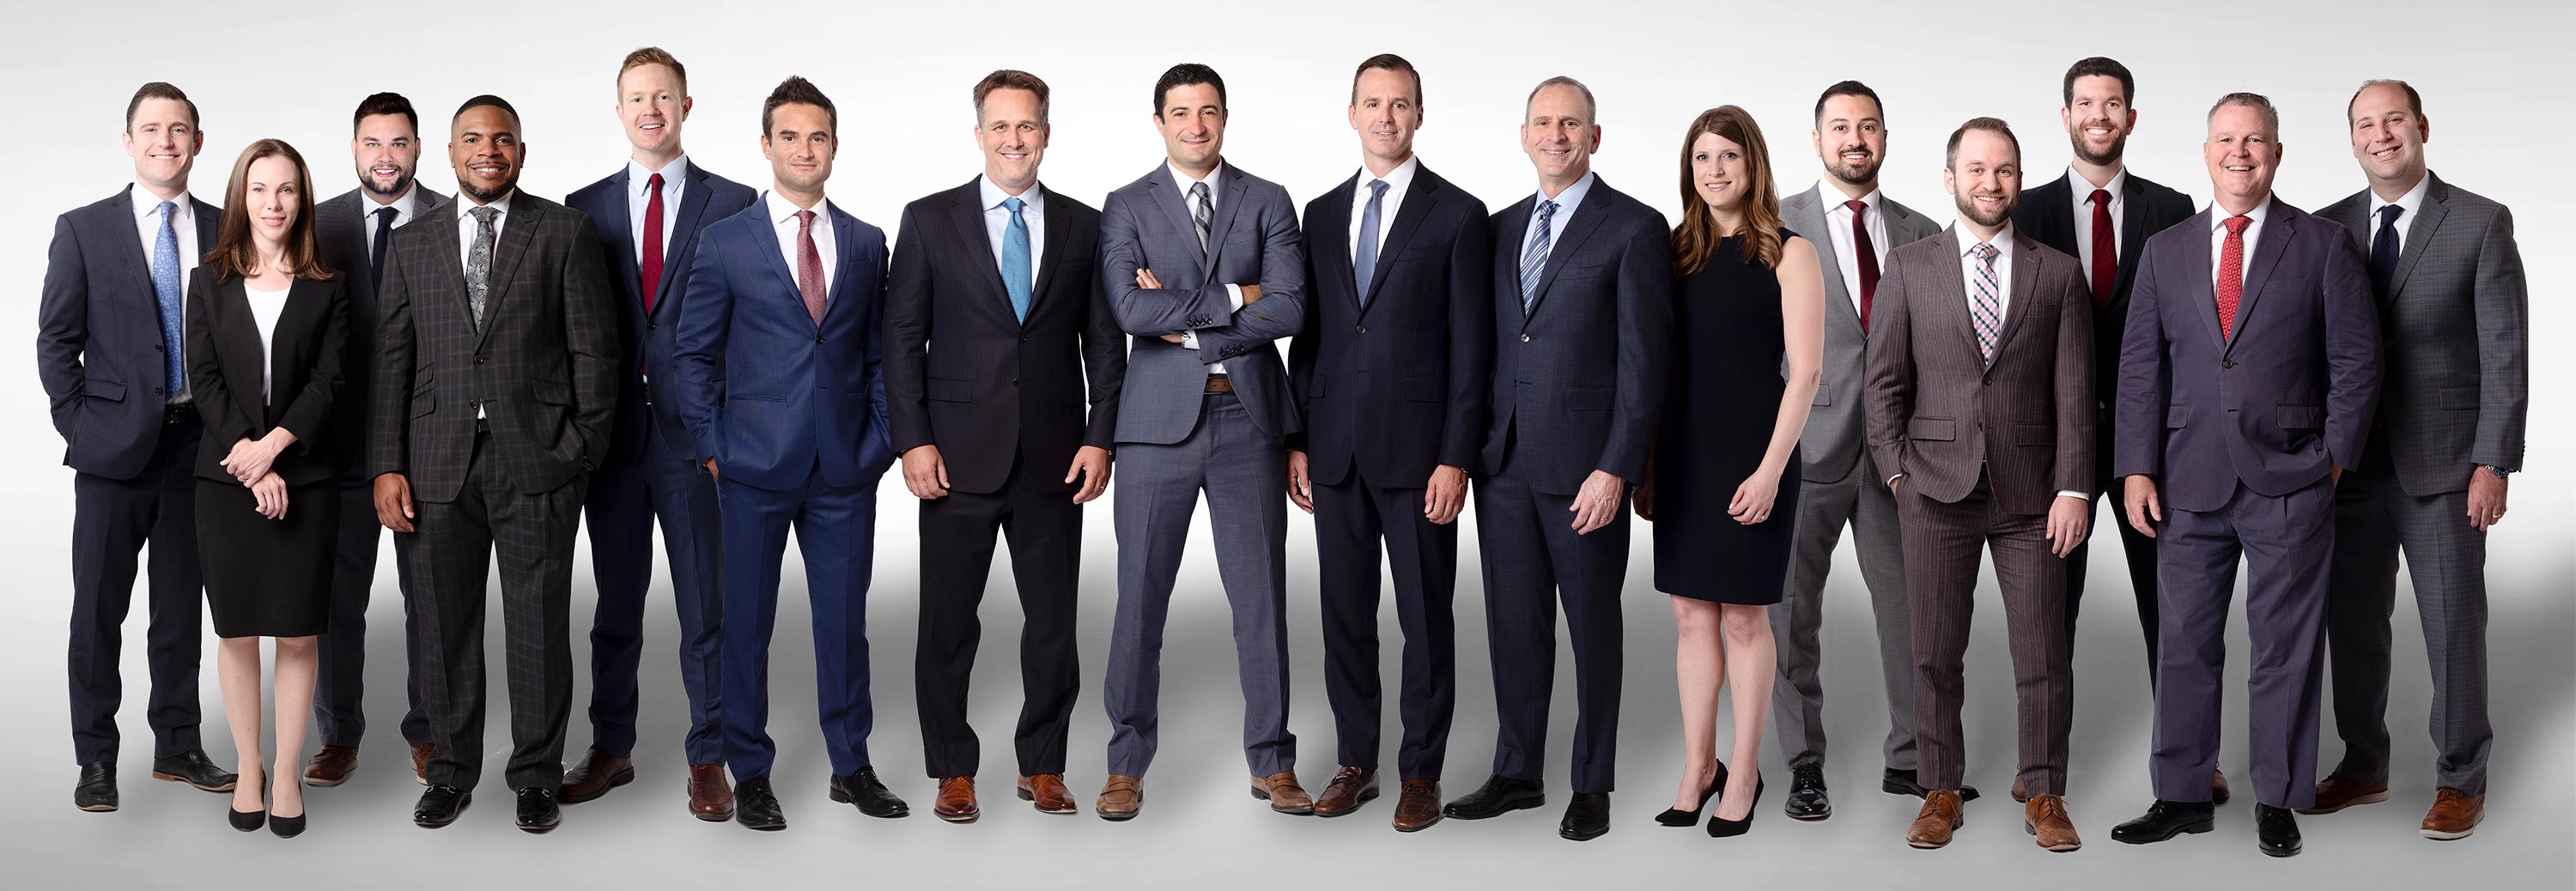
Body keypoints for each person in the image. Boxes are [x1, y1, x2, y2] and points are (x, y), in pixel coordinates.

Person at [2108, 93, 2381, 858]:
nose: (2240, 152)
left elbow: (2357, 362)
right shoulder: (2166, 249)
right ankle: (2183, 794)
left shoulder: (2324, 244)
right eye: (2226, 139)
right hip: (2185, 478)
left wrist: (2333, 456)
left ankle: (2279, 798)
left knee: (2284, 648)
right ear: (2205, 152)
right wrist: (2134, 466)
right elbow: (2139, 369)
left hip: (2293, 477)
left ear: (2277, 153)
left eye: (2255, 140)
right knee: (2185, 644)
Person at [370, 94, 619, 834]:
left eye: (501, 139)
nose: (488, 150)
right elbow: (392, 362)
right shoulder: (413, 244)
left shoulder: (564, 233)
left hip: (537, 462)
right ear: (447, 155)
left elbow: (595, 354)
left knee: (540, 623)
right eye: (472, 139)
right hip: (434, 465)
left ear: (521, 150)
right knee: (443, 627)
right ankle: (449, 772)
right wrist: (387, 464)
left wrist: (579, 452)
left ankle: (536, 775)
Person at [887, 69, 1125, 822]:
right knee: (948, 622)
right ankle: (953, 770)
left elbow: (1104, 344)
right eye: (1000, 126)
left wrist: (1100, 439)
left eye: (1028, 126)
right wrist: (913, 441)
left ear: (1047, 134)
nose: (1014, 140)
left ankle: (1043, 765)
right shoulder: (929, 220)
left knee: (1053, 623)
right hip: (955, 455)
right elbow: (901, 341)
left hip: (1056, 457)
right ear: (979, 133)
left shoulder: (1086, 226)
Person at [672, 76, 908, 832]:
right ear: (766, 145)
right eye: (790, 137)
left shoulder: (869, 242)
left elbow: (883, 358)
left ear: (835, 146)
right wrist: (715, 447)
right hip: (751, 469)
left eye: (818, 137)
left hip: (844, 468)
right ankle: (752, 769)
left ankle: (851, 764)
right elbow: (691, 357)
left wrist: (879, 441)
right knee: (747, 625)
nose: (805, 150)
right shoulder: (725, 241)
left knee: (844, 622)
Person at [1443, 76, 1672, 843]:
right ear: (1524, 134)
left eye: (1571, 124)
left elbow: (1646, 365)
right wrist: (1469, 450)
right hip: (1502, 463)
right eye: (1544, 123)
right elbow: (1484, 348)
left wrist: (1618, 466)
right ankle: (1517, 773)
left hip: (1587, 474)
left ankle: (1592, 784)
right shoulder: (1499, 227)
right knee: (1514, 628)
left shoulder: (1635, 228)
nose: (1557, 136)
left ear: (1595, 137)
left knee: (1592, 630)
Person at [1862, 118, 2093, 852]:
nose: (1991, 183)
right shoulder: (1910, 265)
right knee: (1933, 650)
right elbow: (1884, 383)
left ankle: (2046, 790)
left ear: (2019, 179)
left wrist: (2075, 490)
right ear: (1950, 177)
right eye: (1977, 170)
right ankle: (1939, 790)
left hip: (2033, 497)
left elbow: (2076, 394)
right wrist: (1898, 472)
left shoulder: (2057, 272)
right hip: (1932, 487)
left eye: (2005, 171)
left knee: (2043, 653)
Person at [2307, 78, 2525, 841]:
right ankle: (2364, 765)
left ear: (2421, 125)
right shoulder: (2326, 227)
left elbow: (2503, 352)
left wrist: (2494, 461)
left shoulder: (2479, 222)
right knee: (2354, 625)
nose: (2380, 134)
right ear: (2353, 140)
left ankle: (2461, 778)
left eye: (2392, 119)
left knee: (2452, 626)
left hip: (2445, 467)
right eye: (2365, 124)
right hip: (2350, 468)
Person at [1094, 62, 1309, 821]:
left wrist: (1182, 313)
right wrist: (1234, 295)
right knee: (1139, 602)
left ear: (1225, 117)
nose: (1195, 125)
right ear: (1159, 121)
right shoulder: (1125, 205)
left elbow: (1289, 309)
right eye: (1180, 113)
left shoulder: (1269, 200)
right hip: (1155, 430)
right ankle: (1125, 765)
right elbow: (1127, 308)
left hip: (1247, 422)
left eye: (1208, 111)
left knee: (1261, 602)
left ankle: (1273, 763)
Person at [1287, 53, 1491, 833]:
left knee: (1425, 617)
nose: (1386, 117)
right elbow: (1309, 338)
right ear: (1352, 114)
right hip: (1333, 449)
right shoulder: (1319, 211)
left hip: (1420, 456)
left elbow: (1473, 348)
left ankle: (1419, 773)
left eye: (1400, 104)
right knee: (1344, 614)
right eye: (1372, 103)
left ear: (1419, 115)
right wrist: (1297, 438)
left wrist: (1456, 455)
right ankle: (1355, 762)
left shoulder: (1458, 214)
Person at [562, 46, 757, 820]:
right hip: (611, 443)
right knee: (614, 605)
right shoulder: (584, 206)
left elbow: (755, 322)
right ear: (619, 112)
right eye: (636, 98)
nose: (650, 109)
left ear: (685, 106)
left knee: (706, 606)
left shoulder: (735, 202)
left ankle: (710, 757)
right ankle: (613, 748)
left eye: (664, 97)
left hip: (697, 441)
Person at [39, 81, 237, 812]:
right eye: (151, 129)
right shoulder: (83, 229)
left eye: (179, 128)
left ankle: (178, 744)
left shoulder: (227, 228)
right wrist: (80, 428)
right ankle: (96, 758)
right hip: (112, 452)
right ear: (128, 141)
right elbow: (56, 341)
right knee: (97, 608)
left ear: (198, 141)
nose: (165, 140)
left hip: (199, 449)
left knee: (182, 605)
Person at [1637, 105, 1821, 839]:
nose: (1714, 171)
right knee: (1690, 616)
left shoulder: (1788, 252)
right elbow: (1654, 365)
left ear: (1754, 167)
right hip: (1683, 453)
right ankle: (1698, 766)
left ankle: (1744, 771)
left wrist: (1773, 471)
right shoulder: (1671, 251)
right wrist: (1648, 463)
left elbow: (1805, 373)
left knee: (1745, 617)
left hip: (1756, 453)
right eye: (1703, 157)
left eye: (1729, 158)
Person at [1770, 81, 1953, 820]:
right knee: (1789, 614)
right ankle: (1801, 762)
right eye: (1839, 126)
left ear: (1885, 137)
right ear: (1816, 139)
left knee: (1911, 610)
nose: (1855, 139)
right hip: (1803, 447)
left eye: (1868, 126)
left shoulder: (1920, 231)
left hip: (1896, 457)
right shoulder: (1774, 224)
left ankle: (1912, 759)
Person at [2009, 58, 2198, 702]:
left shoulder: (2172, 209)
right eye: (2085, 104)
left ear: (2131, 118)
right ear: (2065, 117)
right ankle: (2042, 763)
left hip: (2149, 441)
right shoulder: (2024, 212)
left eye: (2112, 104)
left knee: (2170, 603)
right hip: (2054, 443)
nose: (2098, 116)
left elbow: (2188, 327)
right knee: (2050, 607)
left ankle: (2188, 758)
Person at [185, 138, 351, 839]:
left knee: (297, 630)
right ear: (240, 196)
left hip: (306, 480)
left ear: (301, 198)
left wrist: (277, 449)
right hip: (225, 483)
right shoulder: (209, 280)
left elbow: (329, 381)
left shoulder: (328, 285)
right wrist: (250, 462)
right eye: (260, 189)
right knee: (237, 628)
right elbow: (206, 381)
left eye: (286, 189)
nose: (273, 203)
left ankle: (287, 770)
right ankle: (248, 765)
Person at [307, 91, 451, 788]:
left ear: (418, 149)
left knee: (430, 596)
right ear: (354, 148)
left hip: (428, 445)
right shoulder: (318, 223)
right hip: (335, 447)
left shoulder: (457, 220)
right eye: (373, 143)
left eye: (399, 143)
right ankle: (338, 735)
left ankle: (429, 732)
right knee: (338, 599)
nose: (386, 157)